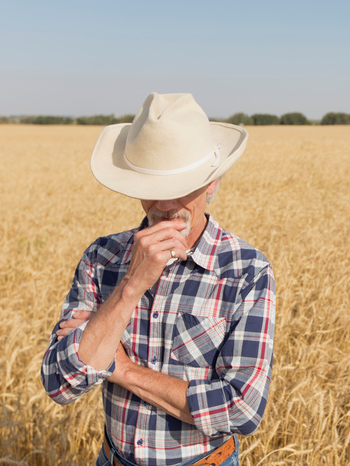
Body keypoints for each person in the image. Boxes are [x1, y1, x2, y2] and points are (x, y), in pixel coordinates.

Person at [41, 92, 275, 466]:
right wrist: (130, 286)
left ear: (212, 183)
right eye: (152, 190)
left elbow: (241, 409)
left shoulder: (245, 271)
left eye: (181, 186)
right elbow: (60, 383)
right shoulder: (102, 258)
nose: (164, 205)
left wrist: (123, 369)